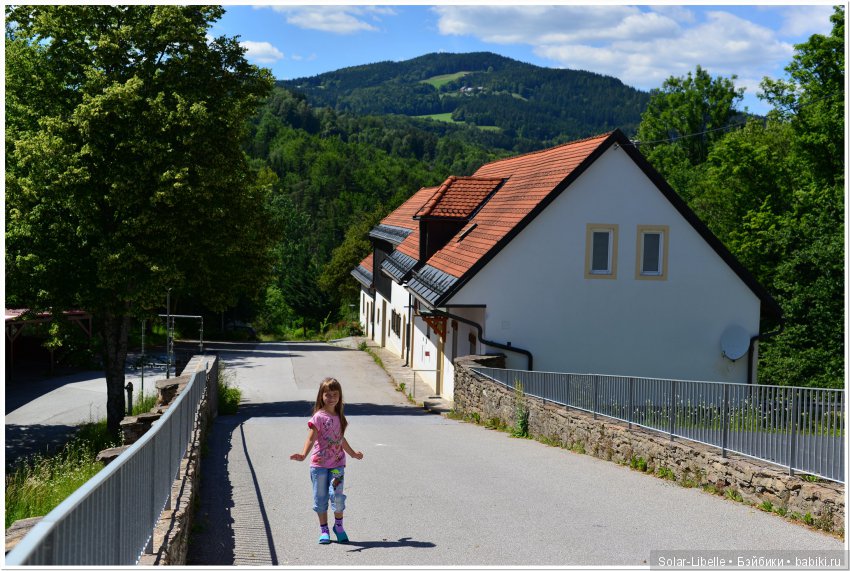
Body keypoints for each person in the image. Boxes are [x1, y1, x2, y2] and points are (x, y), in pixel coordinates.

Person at [291, 377, 364, 544]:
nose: (331, 398)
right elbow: (311, 438)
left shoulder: (339, 416)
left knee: (337, 496)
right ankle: (324, 530)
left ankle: (339, 527)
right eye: (328, 394)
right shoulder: (318, 417)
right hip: (319, 466)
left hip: (337, 464)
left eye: (335, 394)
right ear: (321, 396)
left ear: (339, 396)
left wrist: (353, 454)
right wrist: (303, 455)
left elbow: (340, 439)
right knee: (321, 498)